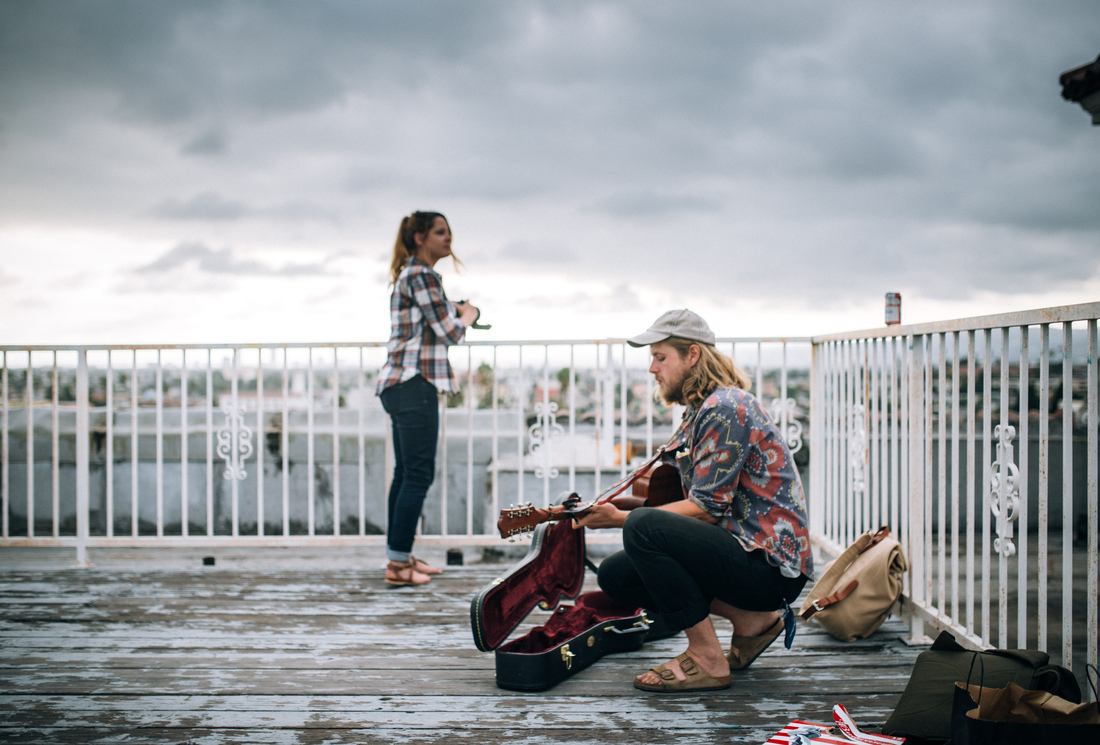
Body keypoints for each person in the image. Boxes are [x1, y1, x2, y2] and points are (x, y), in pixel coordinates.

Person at [574, 309, 814, 692]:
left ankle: (706, 656)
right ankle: (751, 621)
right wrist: (614, 513)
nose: (652, 368)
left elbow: (705, 508)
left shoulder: (724, 409)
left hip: (769, 567)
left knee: (641, 529)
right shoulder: (701, 409)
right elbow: (691, 505)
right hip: (743, 553)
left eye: (660, 356)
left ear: (693, 356)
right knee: (617, 575)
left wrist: (621, 519)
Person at [376, 211, 478, 587]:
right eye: (440, 232)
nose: (448, 238)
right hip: (413, 383)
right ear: (420, 237)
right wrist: (467, 314)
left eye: (449, 231)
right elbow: (448, 332)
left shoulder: (414, 275)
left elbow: (430, 324)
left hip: (402, 384)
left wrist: (452, 310)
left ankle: (399, 557)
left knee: (406, 474)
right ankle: (399, 567)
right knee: (417, 475)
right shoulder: (420, 275)